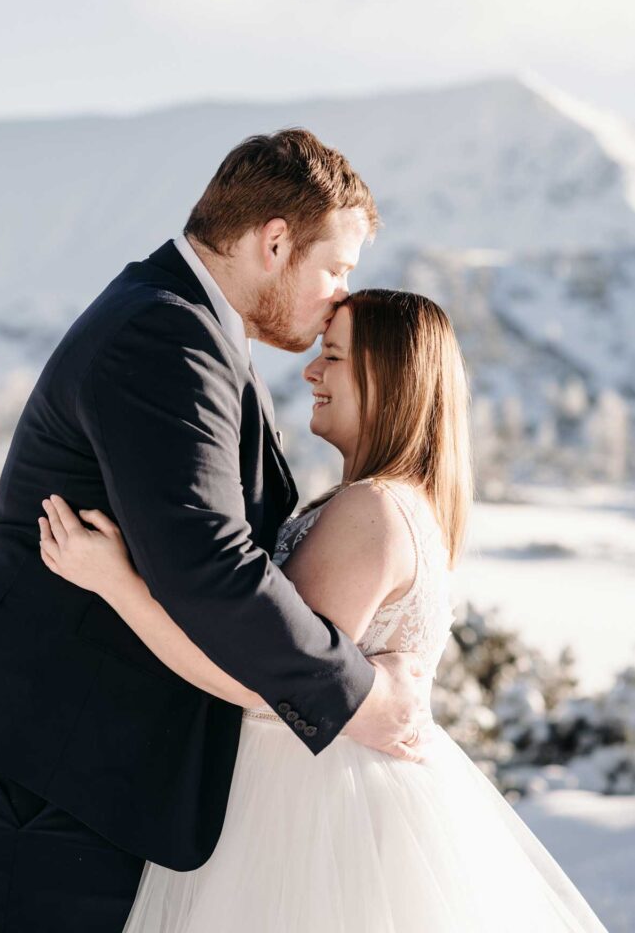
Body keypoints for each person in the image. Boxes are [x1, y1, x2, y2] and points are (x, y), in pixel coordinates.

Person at [0, 131, 429, 933]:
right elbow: (210, 568)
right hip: (35, 771)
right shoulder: (164, 335)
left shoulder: (189, 329)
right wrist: (356, 698)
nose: (336, 301)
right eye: (336, 270)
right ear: (274, 242)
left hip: (69, 766)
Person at [39, 290, 608, 932]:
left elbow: (263, 684)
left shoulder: (371, 510)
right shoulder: (395, 503)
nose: (311, 371)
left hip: (310, 816)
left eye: (332, 356)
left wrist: (116, 583)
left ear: (390, 381)